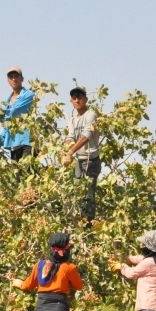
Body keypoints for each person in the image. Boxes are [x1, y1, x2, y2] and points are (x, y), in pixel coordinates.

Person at [62, 87, 100, 222]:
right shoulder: (73, 119)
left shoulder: (90, 115)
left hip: (91, 160)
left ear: (86, 99)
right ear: (71, 101)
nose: (77, 100)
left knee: (88, 196)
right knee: (79, 193)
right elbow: (70, 137)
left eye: (79, 97)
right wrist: (66, 150)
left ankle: (89, 226)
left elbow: (86, 135)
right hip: (79, 161)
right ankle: (81, 223)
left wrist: (71, 152)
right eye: (74, 98)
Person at [0, 67, 36, 161]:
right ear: (8, 81)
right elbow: (7, 127)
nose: (14, 79)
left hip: (27, 142)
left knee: (28, 173)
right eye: (11, 77)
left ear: (22, 79)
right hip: (14, 145)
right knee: (16, 175)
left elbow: (15, 112)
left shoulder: (28, 94)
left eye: (16, 76)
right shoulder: (7, 102)